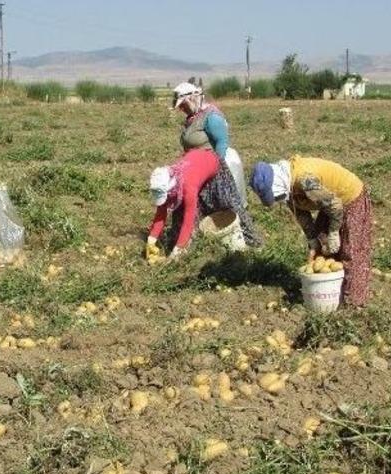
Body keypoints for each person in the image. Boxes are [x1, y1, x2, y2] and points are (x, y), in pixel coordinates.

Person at [250, 155, 373, 306]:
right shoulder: (287, 185)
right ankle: (330, 294)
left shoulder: (306, 181)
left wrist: (334, 232)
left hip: (349, 197)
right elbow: (300, 213)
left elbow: (334, 205)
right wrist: (312, 238)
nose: (278, 199)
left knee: (351, 251)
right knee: (322, 245)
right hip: (329, 204)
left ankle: (354, 303)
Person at [170, 81, 261, 248]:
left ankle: (248, 242)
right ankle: (193, 242)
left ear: (192, 99)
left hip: (217, 167)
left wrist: (214, 170)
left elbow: (222, 143)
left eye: (183, 104)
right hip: (198, 169)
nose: (181, 108)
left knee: (228, 205)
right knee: (193, 205)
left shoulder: (211, 117)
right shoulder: (193, 117)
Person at [147, 149, 221, 261]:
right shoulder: (166, 182)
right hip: (194, 159)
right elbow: (161, 212)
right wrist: (151, 240)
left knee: (211, 208)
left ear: (171, 190)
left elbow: (188, 221)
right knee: (179, 218)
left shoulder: (188, 188)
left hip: (212, 163)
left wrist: (178, 249)